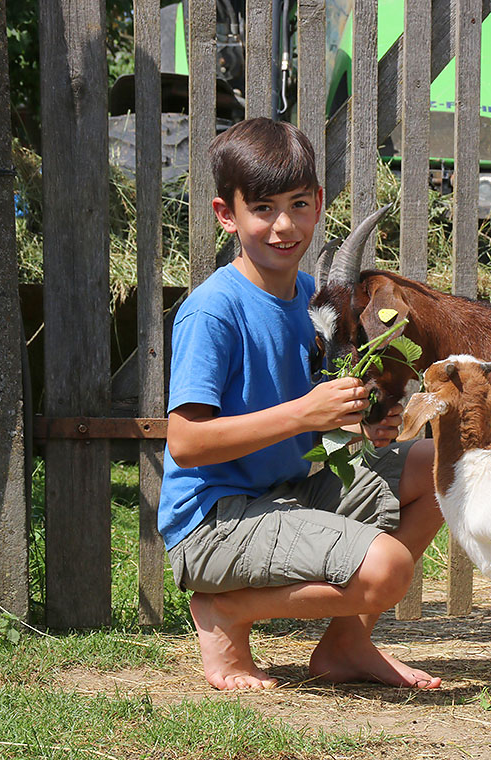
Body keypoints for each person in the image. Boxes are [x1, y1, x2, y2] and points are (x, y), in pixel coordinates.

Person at [158, 117, 443, 691]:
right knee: (389, 569)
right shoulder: (213, 311)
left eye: (297, 204)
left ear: (318, 203)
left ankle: (345, 645)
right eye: (262, 208)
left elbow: (310, 431)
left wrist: (363, 427)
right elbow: (186, 445)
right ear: (226, 214)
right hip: (212, 523)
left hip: (283, 495)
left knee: (442, 467)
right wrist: (306, 412)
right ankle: (226, 612)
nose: (283, 225)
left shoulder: (308, 308)